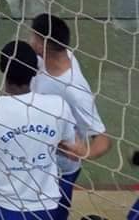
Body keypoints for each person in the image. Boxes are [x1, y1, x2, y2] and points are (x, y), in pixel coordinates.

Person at [0, 39, 85, 220]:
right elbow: (71, 146)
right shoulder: (58, 106)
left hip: (1, 206)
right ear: (36, 69)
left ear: (2, 69)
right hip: (47, 206)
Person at [29, 14, 111, 220]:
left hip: (59, 171)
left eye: (34, 38)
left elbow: (103, 139)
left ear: (44, 43)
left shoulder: (73, 89)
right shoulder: (55, 57)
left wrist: (85, 152)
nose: (31, 41)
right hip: (37, 158)